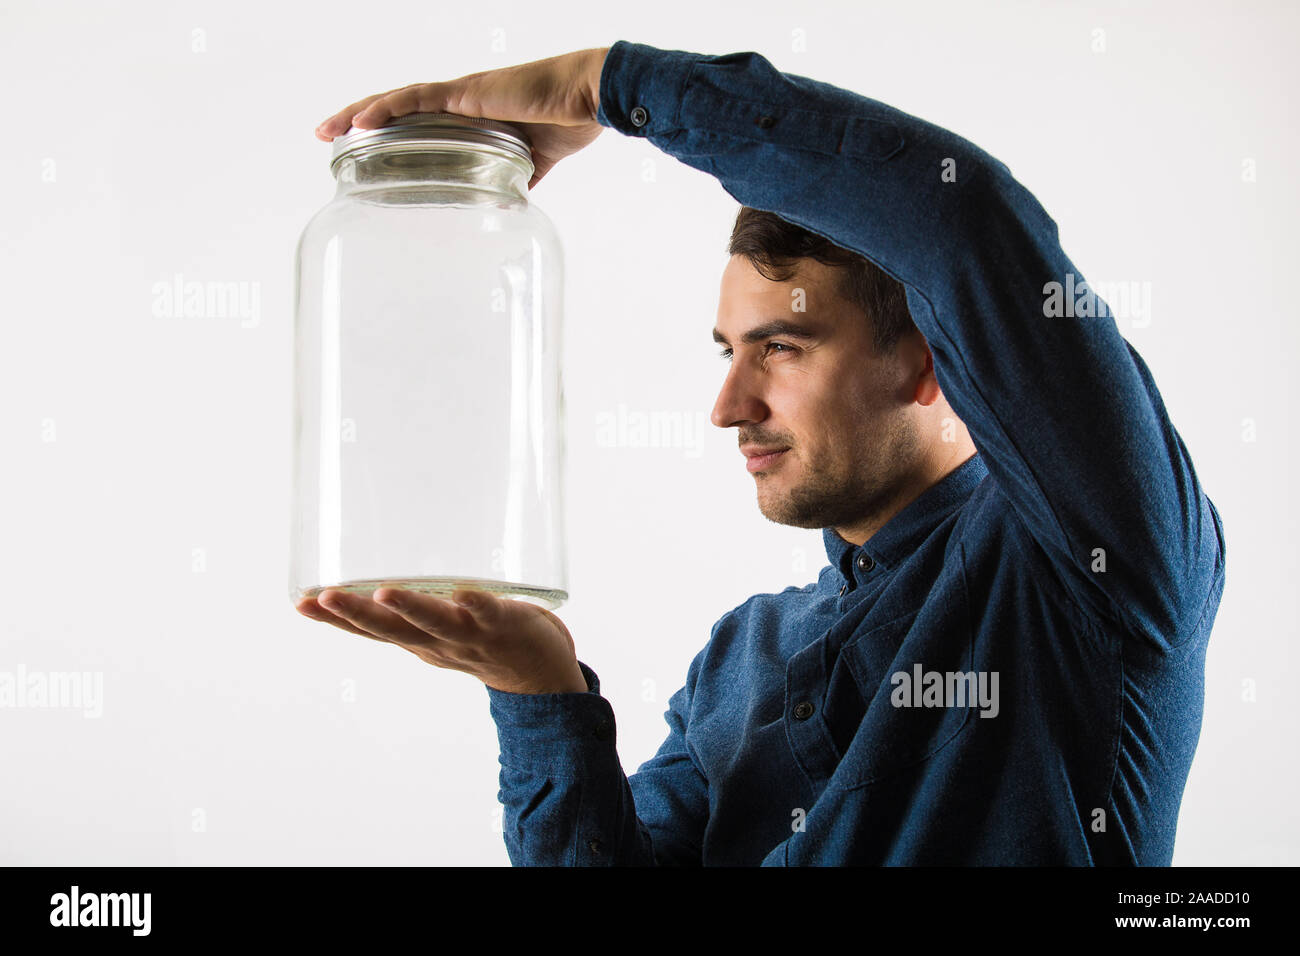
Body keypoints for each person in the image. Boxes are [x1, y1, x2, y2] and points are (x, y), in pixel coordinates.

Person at [299, 41, 1227, 865]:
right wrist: (537, 691)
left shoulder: (1091, 565)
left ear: (931, 359)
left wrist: (604, 86)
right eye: (727, 350)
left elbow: (964, 223)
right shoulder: (743, 658)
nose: (726, 407)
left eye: (781, 347)